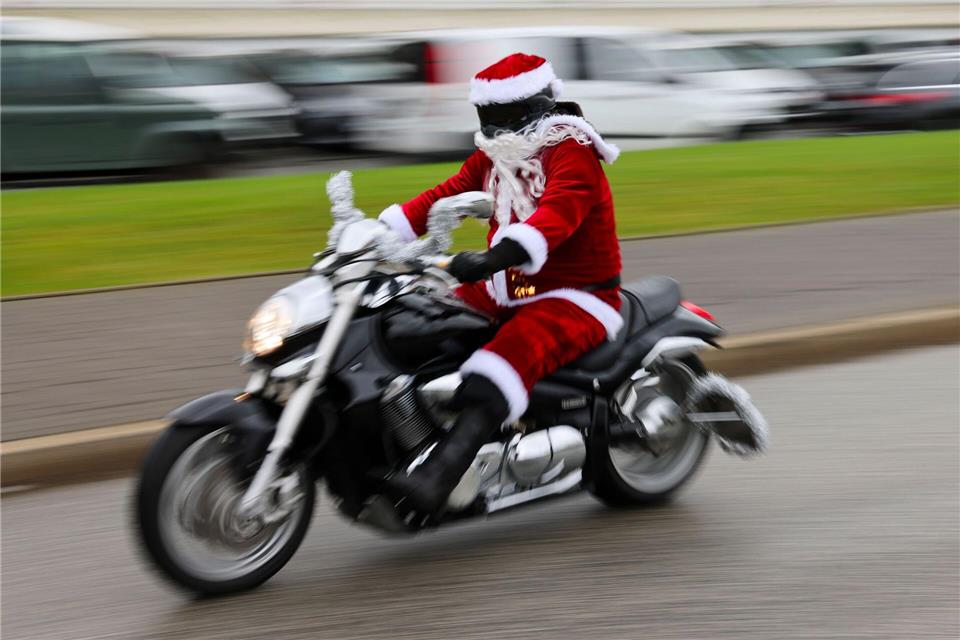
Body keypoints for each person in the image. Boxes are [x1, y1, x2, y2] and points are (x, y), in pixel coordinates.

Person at [378, 52, 623, 514]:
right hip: (504, 288)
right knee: (417, 322)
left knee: (504, 362)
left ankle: (439, 478)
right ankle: (411, 433)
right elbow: (442, 196)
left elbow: (558, 213)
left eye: (507, 116)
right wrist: (379, 234)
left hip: (574, 295)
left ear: (535, 106)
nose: (498, 127)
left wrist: (496, 256)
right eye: (489, 117)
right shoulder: (493, 157)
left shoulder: (571, 150)